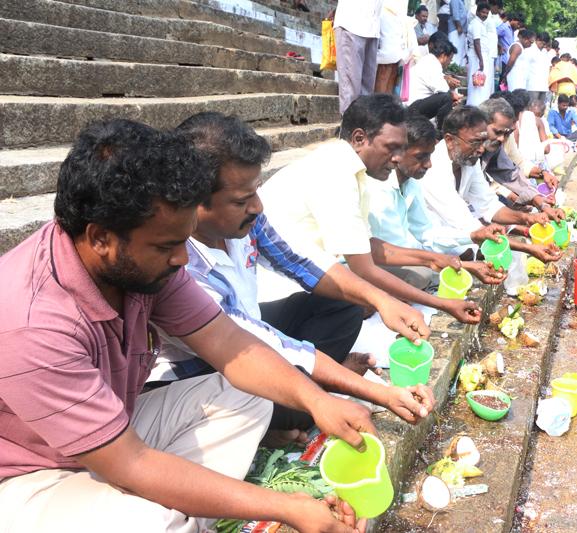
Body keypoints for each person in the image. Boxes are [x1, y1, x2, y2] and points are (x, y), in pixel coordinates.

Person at [0, 119, 388, 533]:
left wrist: (318, 401)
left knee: (245, 395)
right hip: (29, 471)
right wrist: (289, 507)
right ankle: (167, 511)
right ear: (100, 238)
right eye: (167, 246)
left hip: (113, 431)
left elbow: (227, 342)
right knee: (153, 520)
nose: (183, 260)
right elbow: (130, 463)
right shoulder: (31, 325)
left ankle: (173, 507)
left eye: (183, 241)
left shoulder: (137, 261)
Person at [150, 112, 437, 445]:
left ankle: (319, 384)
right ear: (195, 203)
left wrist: (379, 299)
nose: (257, 207)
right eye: (243, 200)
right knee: (271, 399)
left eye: (256, 192)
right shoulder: (176, 264)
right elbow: (246, 341)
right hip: (210, 369)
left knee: (342, 305)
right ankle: (299, 404)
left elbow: (299, 261)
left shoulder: (247, 218)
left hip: (248, 330)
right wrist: (375, 391)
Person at [260, 93, 483, 324]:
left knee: (388, 293)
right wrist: (443, 304)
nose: (398, 158)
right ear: (359, 138)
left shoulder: (353, 170)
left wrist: (432, 259)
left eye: (402, 148)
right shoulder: (335, 174)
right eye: (392, 147)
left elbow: (367, 245)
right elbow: (364, 267)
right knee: (361, 306)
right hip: (279, 285)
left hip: (313, 271)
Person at [368, 112, 509, 281]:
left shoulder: (411, 183)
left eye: (430, 155)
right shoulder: (380, 186)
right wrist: (459, 265)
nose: (429, 164)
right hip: (369, 263)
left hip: (397, 254)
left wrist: (474, 236)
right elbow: (393, 249)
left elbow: (429, 233)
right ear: (399, 152)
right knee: (422, 276)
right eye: (421, 157)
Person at [419, 105, 564, 264]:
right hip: (426, 235)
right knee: (466, 252)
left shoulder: (469, 160)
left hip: (456, 223)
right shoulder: (433, 169)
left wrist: (527, 218)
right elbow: (466, 224)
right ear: (450, 141)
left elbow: (488, 205)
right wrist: (529, 248)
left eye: (483, 141)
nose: (481, 149)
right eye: (475, 143)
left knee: (484, 233)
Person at [479, 98, 566, 219]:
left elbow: (512, 171)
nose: (501, 138)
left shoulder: (496, 143)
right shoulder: (483, 144)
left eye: (515, 123)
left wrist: (542, 203)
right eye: (497, 132)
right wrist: (526, 215)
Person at [492, 91, 560, 192]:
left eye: (516, 122)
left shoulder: (508, 136)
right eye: (512, 123)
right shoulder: (482, 143)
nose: (514, 127)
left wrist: (543, 173)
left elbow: (519, 161)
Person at [332, 1, 382, 115]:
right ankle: (348, 130)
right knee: (350, 89)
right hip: (352, 22)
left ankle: (362, 127)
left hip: (373, 27)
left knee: (367, 91)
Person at [408, 40, 461, 128]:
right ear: (443, 55)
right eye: (450, 59)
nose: (449, 62)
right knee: (445, 97)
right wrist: (453, 96)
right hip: (412, 108)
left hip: (416, 106)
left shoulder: (429, 60)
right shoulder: (432, 63)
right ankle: (442, 135)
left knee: (446, 99)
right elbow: (442, 89)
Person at [375, 0, 413, 94]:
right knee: (386, 66)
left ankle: (386, 106)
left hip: (400, 16)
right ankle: (376, 106)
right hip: (386, 11)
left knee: (394, 69)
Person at [466, 2, 492, 106]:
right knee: (476, 84)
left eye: (487, 13)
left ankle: (479, 105)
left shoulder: (480, 23)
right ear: (477, 12)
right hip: (477, 57)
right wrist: (481, 60)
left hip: (481, 56)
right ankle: (474, 105)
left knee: (481, 83)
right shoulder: (476, 23)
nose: (485, 14)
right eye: (483, 12)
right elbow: (476, 42)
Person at [517, 97, 551, 164]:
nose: (534, 116)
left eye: (537, 115)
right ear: (528, 107)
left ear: (542, 115)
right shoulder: (538, 121)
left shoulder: (516, 120)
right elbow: (547, 149)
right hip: (532, 161)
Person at [526, 31, 551, 105]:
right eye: (543, 44)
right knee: (532, 107)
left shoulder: (544, 51)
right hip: (532, 86)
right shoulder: (529, 50)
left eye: (546, 44)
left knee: (540, 109)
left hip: (543, 85)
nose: (544, 46)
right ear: (538, 40)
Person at [447, 0, 468, 67]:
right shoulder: (455, 0)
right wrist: (459, 26)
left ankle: (457, 68)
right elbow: (455, 14)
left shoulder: (461, 2)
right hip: (455, 29)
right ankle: (452, 68)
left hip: (461, 30)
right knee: (454, 49)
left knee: (460, 51)